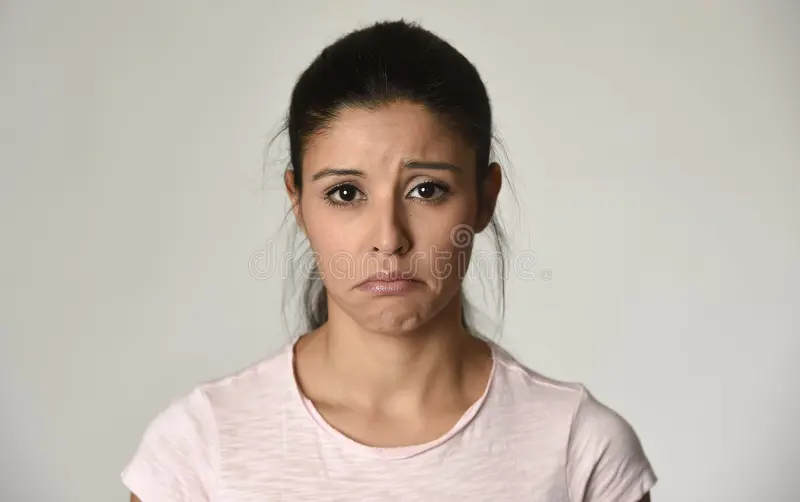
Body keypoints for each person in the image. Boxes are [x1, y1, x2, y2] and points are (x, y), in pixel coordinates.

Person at [122, 19, 657, 501]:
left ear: (485, 197)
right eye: (346, 194)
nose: (389, 239)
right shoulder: (198, 453)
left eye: (426, 190)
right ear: (298, 202)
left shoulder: (581, 451)